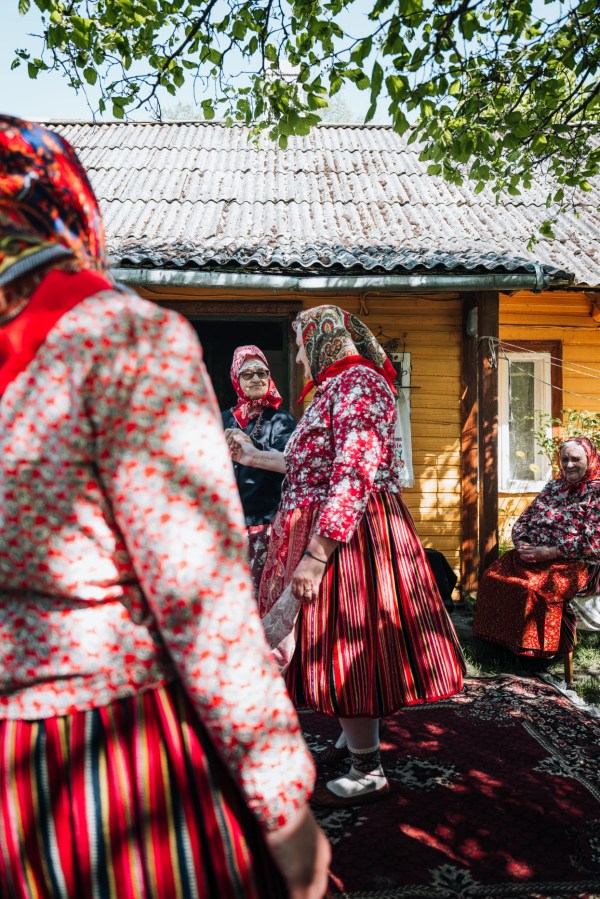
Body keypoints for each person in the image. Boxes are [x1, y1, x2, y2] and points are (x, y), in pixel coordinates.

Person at [0, 115, 330, 899]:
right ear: (66, 208)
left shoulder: (279, 415)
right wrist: (283, 803)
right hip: (99, 762)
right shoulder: (122, 340)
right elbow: (199, 600)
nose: (257, 382)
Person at [228, 304, 465, 808]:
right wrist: (250, 455)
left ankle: (367, 769)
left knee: (348, 641)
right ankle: (353, 737)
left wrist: (317, 554)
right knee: (329, 640)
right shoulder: (334, 388)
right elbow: (307, 463)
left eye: (300, 344)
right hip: (333, 529)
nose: (298, 357)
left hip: (351, 538)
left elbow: (353, 473)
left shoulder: (358, 382)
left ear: (322, 339)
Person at [473, 437, 600, 659]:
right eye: (564, 459)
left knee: (534, 589)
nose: (569, 464)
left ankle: (536, 655)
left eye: (575, 459)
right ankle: (499, 646)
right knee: (492, 577)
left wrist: (551, 552)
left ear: (590, 460)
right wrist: (522, 542)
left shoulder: (596, 492)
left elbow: (595, 542)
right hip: (536, 556)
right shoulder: (554, 487)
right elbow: (524, 521)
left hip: (577, 563)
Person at [222, 346, 296, 596]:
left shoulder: (281, 420)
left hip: (266, 524)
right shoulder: (223, 419)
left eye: (261, 372)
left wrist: (252, 446)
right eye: (247, 374)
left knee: (261, 596)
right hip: (227, 525)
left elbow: (290, 463)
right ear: (236, 379)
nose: (256, 378)